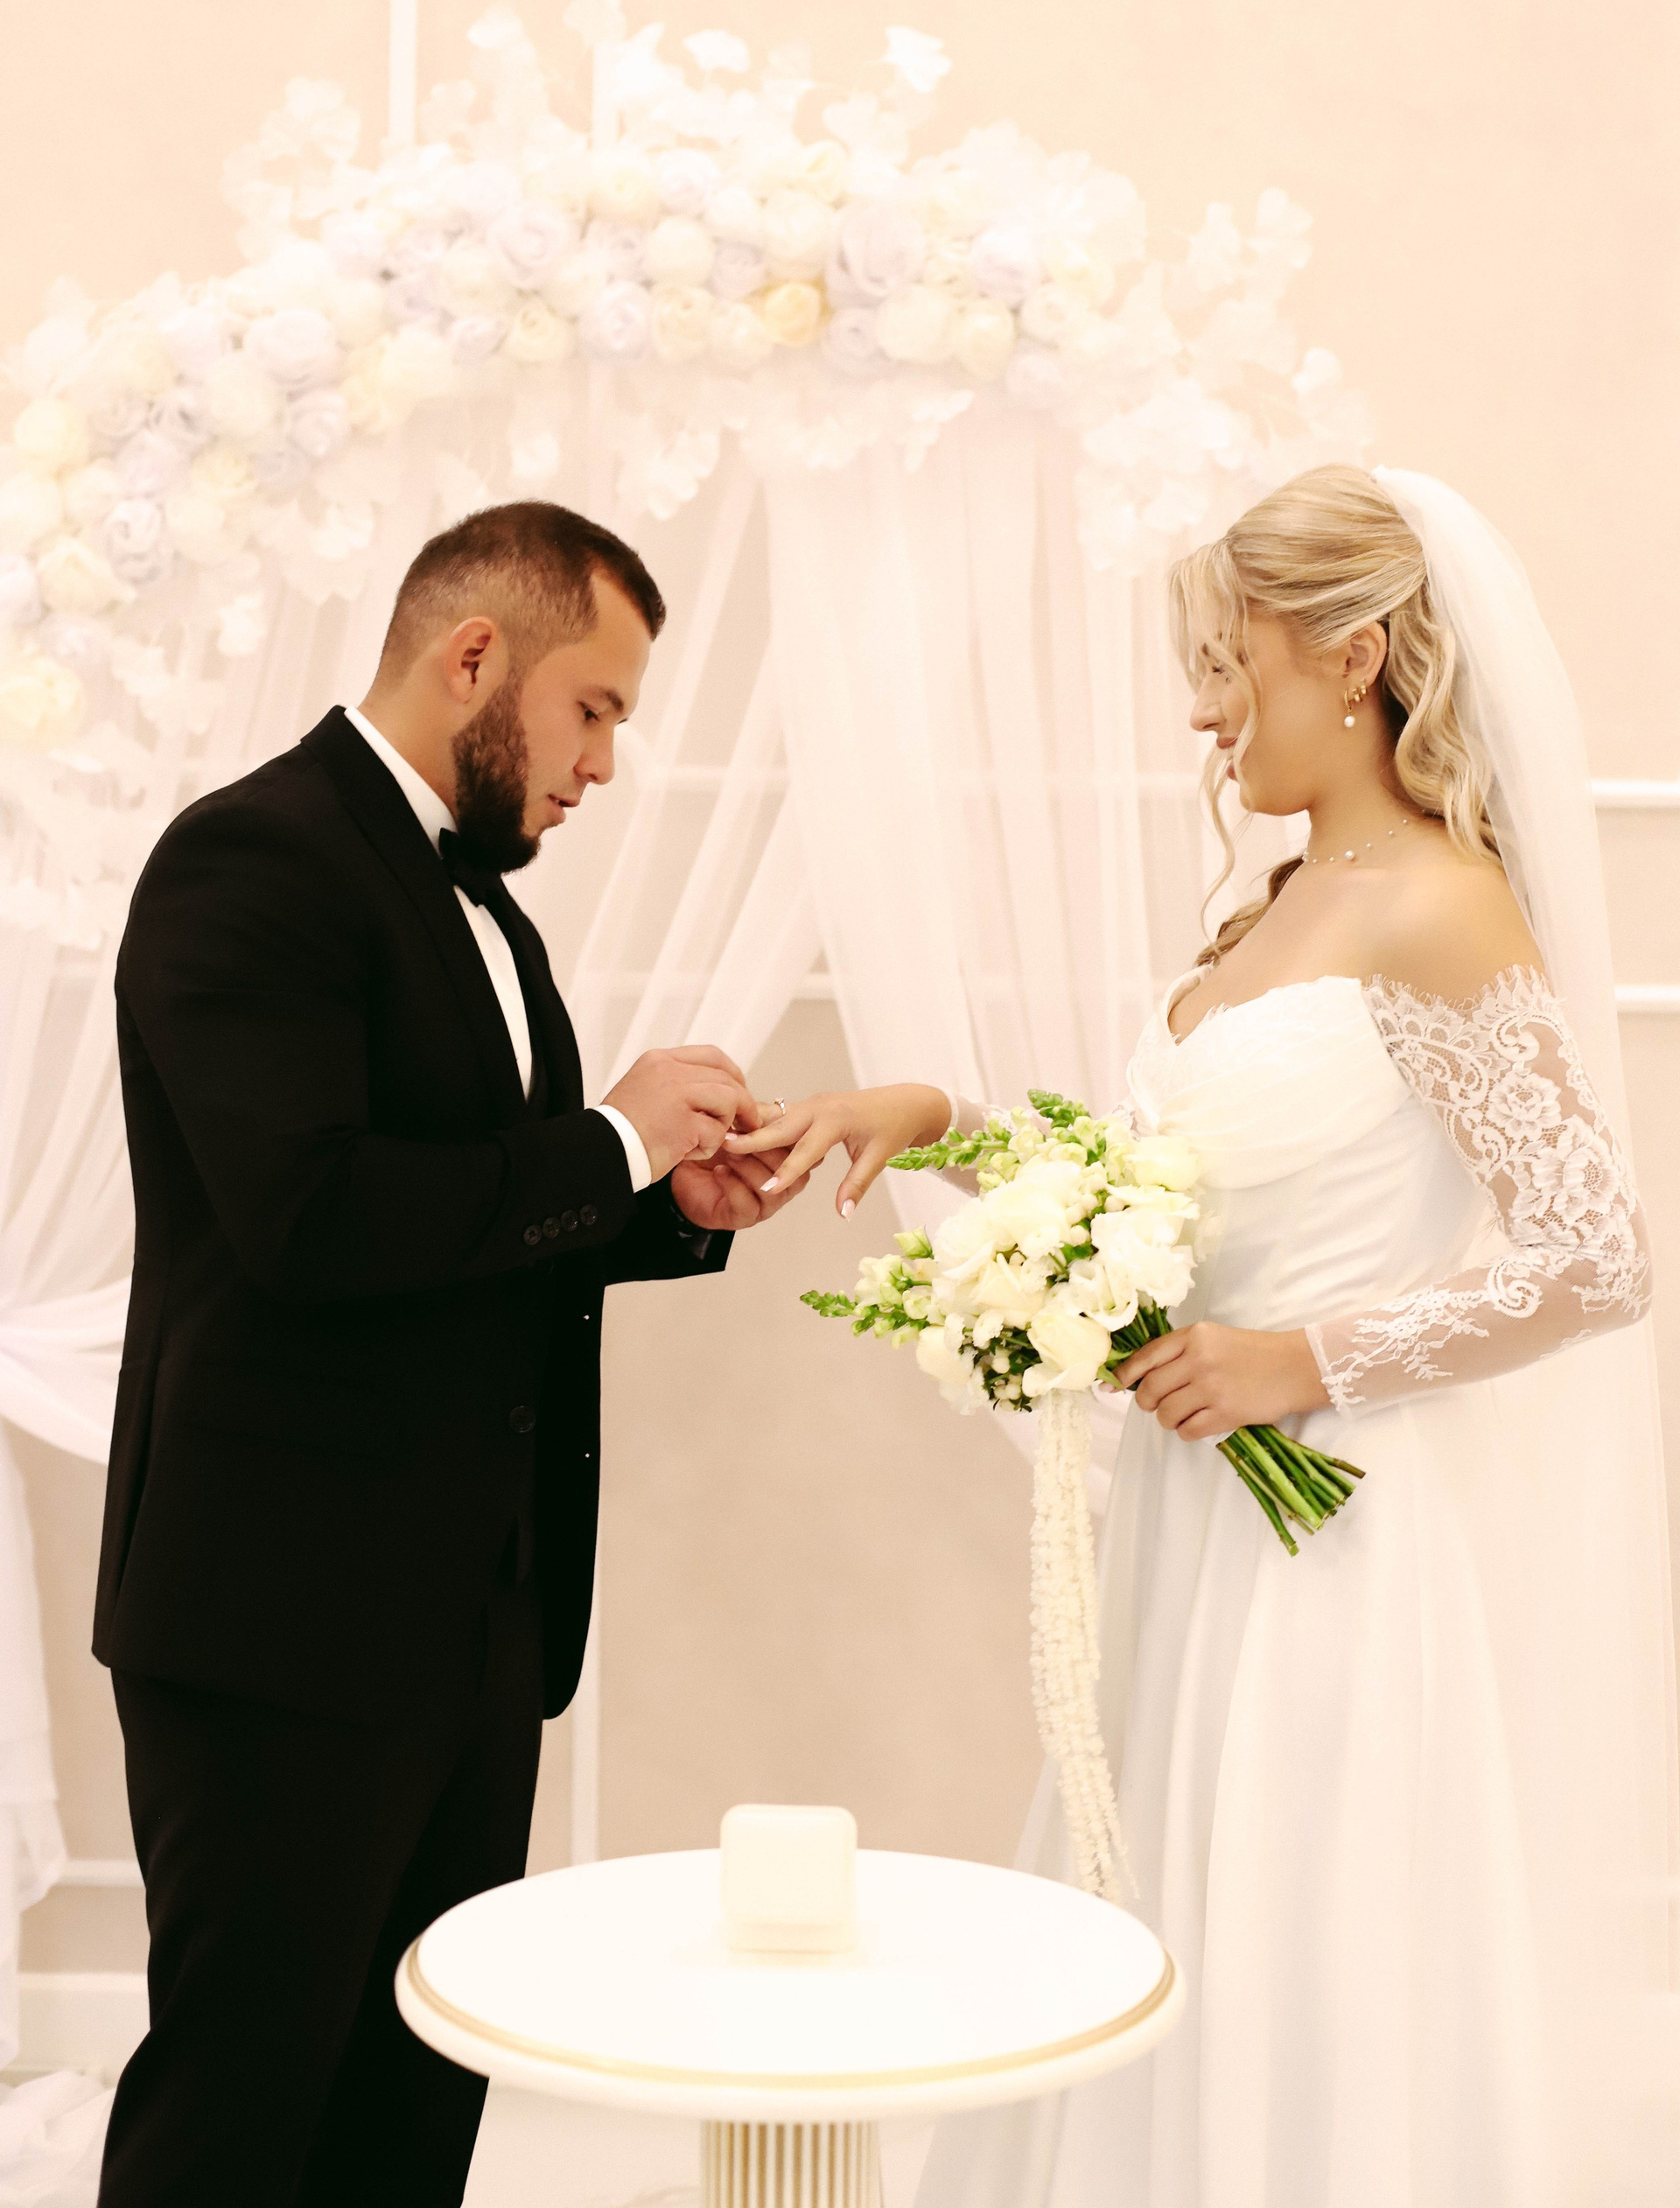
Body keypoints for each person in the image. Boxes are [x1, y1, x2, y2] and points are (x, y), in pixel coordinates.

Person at [732, 465, 1678, 2205]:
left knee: (1299, 1939)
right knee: (1168, 1911)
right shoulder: (1277, 902)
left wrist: (1296, 1364)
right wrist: (934, 1118)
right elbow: (1159, 1202)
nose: (1200, 711)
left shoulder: (1441, 906)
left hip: (1338, 1542)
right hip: (1194, 1525)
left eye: (1226, 665)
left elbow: (1595, 1259)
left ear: (1354, 657)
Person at [93, 501, 795, 2208]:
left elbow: (475, 1229)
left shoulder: (491, 913)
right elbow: (311, 1220)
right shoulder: (250, 860)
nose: (605, 763)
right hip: (281, 1620)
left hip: (470, 1625)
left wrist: (664, 1201)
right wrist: (609, 1140)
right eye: (594, 709)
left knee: (409, 2124)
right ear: (476, 656)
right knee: (239, 2112)